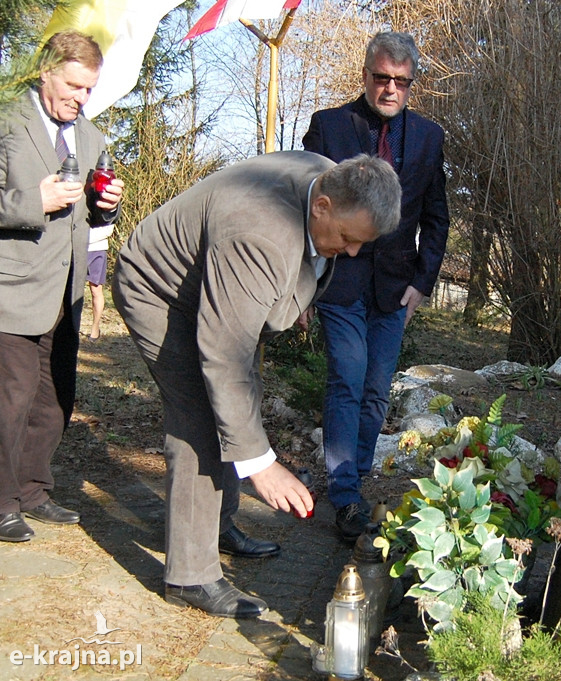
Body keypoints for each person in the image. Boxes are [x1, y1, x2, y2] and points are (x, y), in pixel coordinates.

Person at [112, 151, 401, 619]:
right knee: (200, 417)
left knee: (240, 398)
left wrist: (296, 296)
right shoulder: (259, 232)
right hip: (162, 290)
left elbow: (301, 263)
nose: (350, 252)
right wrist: (261, 465)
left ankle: (217, 526)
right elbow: (224, 358)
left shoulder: (331, 180)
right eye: (347, 239)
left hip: (217, 284)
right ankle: (191, 575)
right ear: (323, 205)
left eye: (360, 245)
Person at [302, 31, 450, 543]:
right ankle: (344, 495)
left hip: (395, 289)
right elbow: (304, 209)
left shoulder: (430, 138)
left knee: (375, 390)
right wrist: (301, 281)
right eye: (382, 78)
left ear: (411, 85)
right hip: (338, 281)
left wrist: (423, 283)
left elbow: (436, 218)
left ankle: (356, 481)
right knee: (348, 376)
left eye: (401, 82)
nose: (390, 89)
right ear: (366, 75)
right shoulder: (329, 127)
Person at [0, 31, 124, 543]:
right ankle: (2, 502)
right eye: (73, 86)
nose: (80, 98)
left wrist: (107, 203)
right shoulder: (7, 121)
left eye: (89, 90)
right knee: (11, 398)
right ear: (46, 72)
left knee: (55, 398)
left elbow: (90, 211)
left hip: (67, 290)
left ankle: (33, 489)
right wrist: (35, 199)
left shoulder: (91, 137)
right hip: (11, 288)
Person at [85, 221, 114, 341]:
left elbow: (108, 229)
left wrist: (83, 237)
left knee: (96, 290)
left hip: (97, 249)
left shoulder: (106, 204)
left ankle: (95, 328)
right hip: (75, 247)